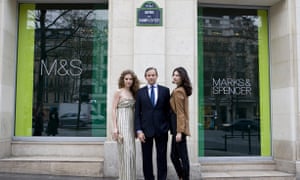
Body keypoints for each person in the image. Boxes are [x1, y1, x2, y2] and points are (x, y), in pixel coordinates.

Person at [135, 67, 170, 180]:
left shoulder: (165, 91)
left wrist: (167, 127)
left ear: (156, 76)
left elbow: (168, 111)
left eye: (153, 75)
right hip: (145, 131)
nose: (151, 77)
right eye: (149, 75)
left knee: (162, 158)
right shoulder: (140, 92)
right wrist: (139, 131)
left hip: (161, 130)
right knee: (146, 158)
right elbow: (137, 114)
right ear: (145, 77)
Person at [112, 69, 140, 180]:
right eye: (126, 79)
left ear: (133, 81)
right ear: (123, 80)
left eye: (130, 79)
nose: (128, 81)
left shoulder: (134, 93)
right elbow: (113, 109)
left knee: (132, 154)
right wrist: (115, 128)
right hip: (121, 123)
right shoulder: (118, 92)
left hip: (131, 123)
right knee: (125, 153)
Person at [169, 67, 192, 180]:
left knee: (179, 156)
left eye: (177, 75)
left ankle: (183, 177)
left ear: (182, 77)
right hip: (177, 128)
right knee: (177, 156)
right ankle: (182, 177)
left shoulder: (178, 91)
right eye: (174, 75)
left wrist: (179, 132)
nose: (175, 77)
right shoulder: (181, 89)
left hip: (178, 129)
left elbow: (180, 113)